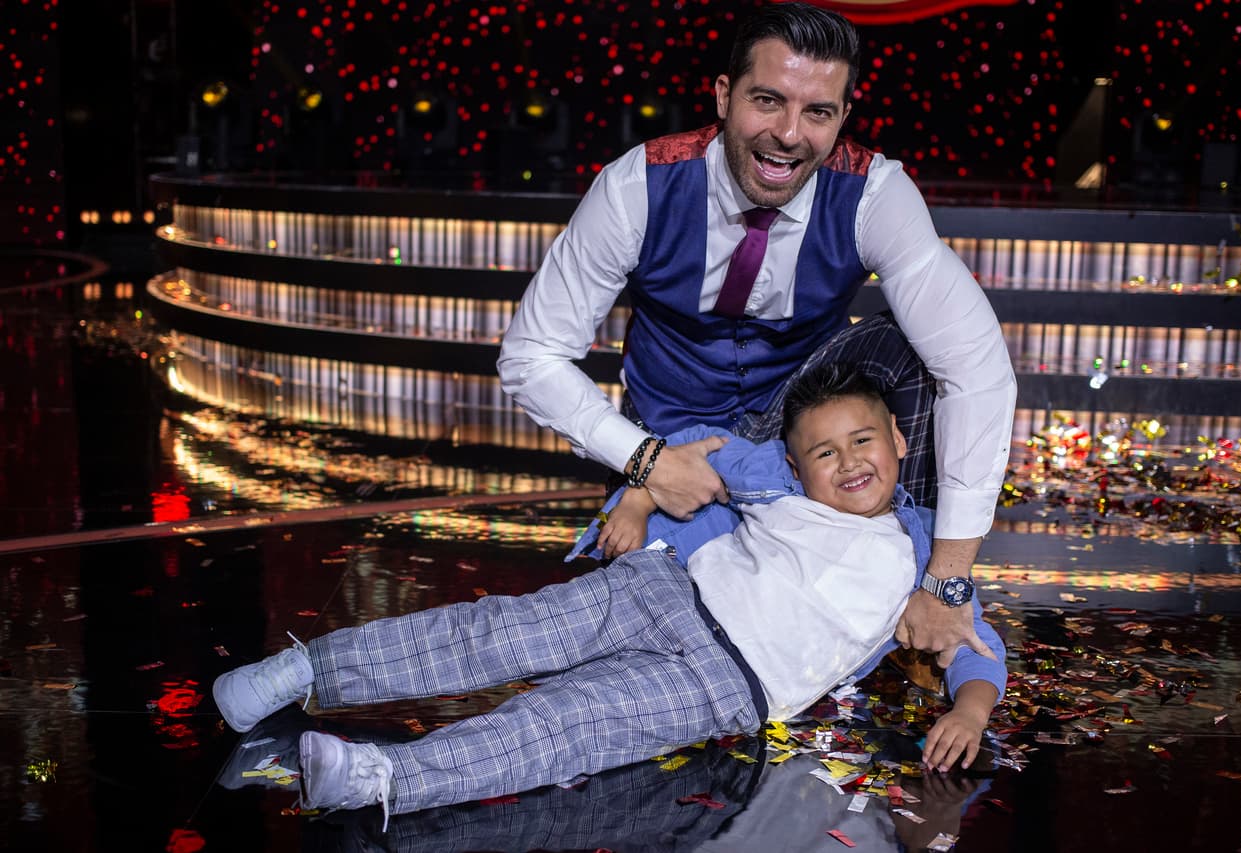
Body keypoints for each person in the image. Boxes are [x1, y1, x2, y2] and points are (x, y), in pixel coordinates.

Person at [211, 367, 1006, 829]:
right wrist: (634, 494)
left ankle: (382, 779)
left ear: (900, 439)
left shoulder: (932, 554)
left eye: (864, 441)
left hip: (726, 685)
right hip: (661, 590)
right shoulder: (776, 479)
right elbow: (691, 447)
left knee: (565, 726)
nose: (848, 462)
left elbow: (979, 643)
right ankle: (305, 672)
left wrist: (970, 709)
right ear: (798, 465)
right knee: (497, 633)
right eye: (824, 451)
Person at [496, 1, 1016, 663]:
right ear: (723, 94)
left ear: (842, 118)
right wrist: (645, 460)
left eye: (818, 112)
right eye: (768, 100)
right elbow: (530, 353)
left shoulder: (876, 193)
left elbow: (979, 368)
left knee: (917, 348)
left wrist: (949, 576)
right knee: (646, 636)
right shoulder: (638, 187)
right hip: (666, 435)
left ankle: (919, 578)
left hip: (802, 435)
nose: (789, 135)